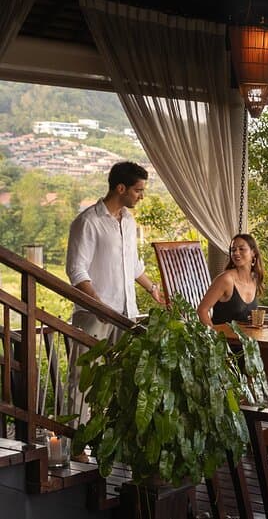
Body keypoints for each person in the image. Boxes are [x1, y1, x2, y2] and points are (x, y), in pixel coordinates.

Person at [66, 161, 164, 440]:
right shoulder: (87, 222)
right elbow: (76, 270)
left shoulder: (129, 221)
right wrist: (100, 306)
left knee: (119, 381)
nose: (141, 196)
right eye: (138, 190)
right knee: (83, 381)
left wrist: (153, 290)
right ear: (120, 188)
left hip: (126, 316)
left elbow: (133, 265)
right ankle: (76, 442)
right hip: (94, 316)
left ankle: (107, 441)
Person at [196, 233, 264, 327]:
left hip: (247, 339)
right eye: (233, 250)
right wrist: (214, 337)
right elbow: (202, 310)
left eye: (241, 249)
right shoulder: (226, 279)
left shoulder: (255, 278)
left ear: (253, 252)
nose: (236, 253)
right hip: (225, 340)